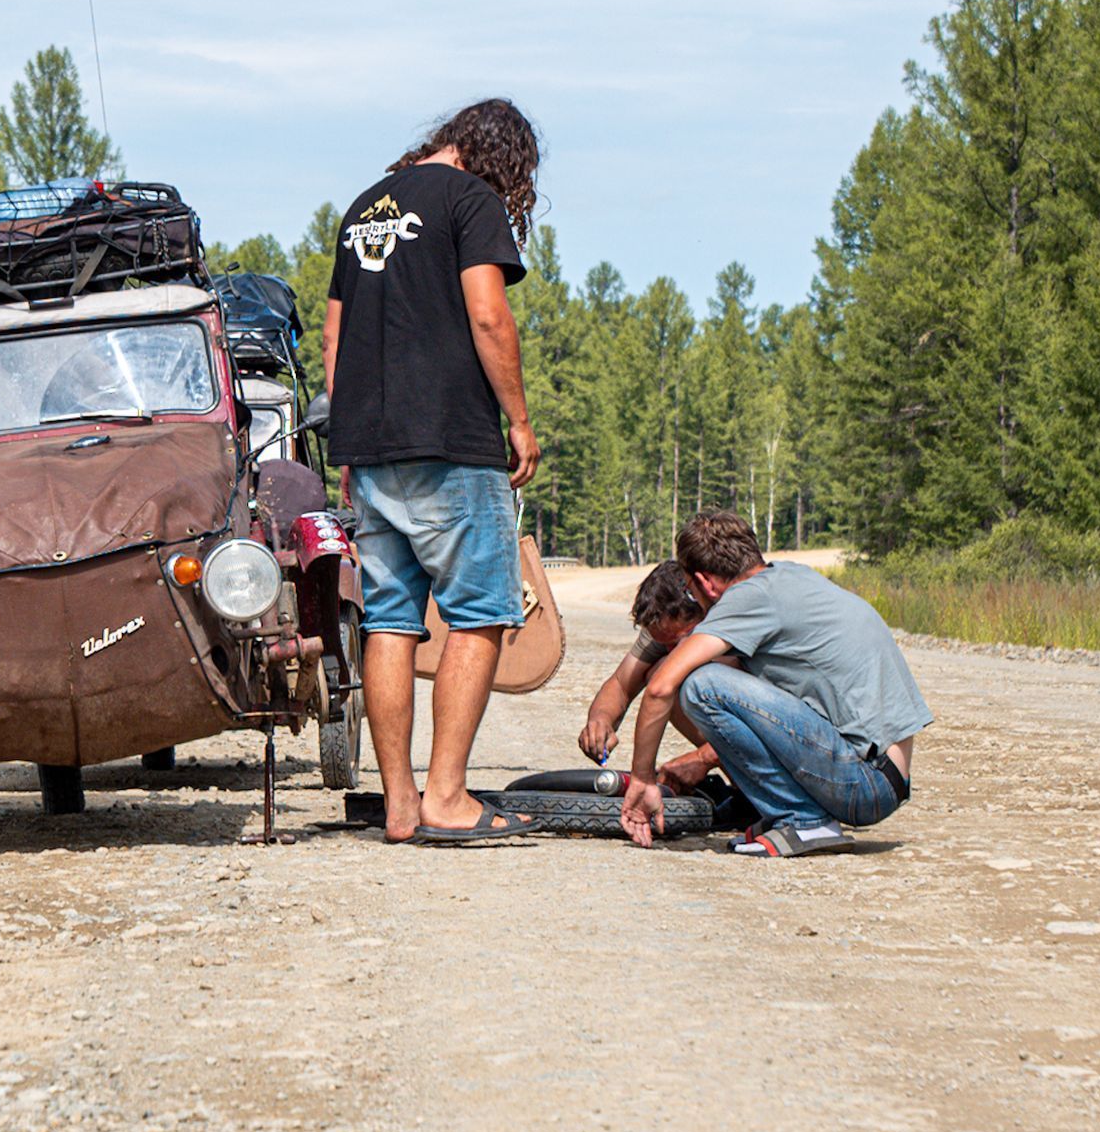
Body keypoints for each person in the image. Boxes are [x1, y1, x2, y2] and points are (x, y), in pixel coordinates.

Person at [321, 98, 543, 844]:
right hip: (451, 441)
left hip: (372, 448)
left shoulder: (363, 208)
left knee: (389, 618)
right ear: (498, 156)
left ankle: (400, 805)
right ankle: (446, 795)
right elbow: (488, 314)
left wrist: (348, 441)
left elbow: (335, 336)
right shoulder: (470, 199)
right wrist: (518, 420)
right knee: (478, 615)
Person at [616, 511, 931, 856]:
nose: (694, 598)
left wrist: (642, 779)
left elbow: (662, 686)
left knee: (700, 685)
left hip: (865, 784)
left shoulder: (747, 599)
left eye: (690, 590)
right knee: (714, 677)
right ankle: (791, 813)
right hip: (885, 776)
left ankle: (804, 820)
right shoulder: (790, 576)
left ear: (705, 582)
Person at [578, 560, 723, 792]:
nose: (670, 650)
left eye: (676, 641)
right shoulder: (666, 626)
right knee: (663, 671)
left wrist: (704, 758)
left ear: (704, 610)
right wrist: (600, 720)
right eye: (664, 644)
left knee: (670, 674)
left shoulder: (731, 618)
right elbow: (621, 684)